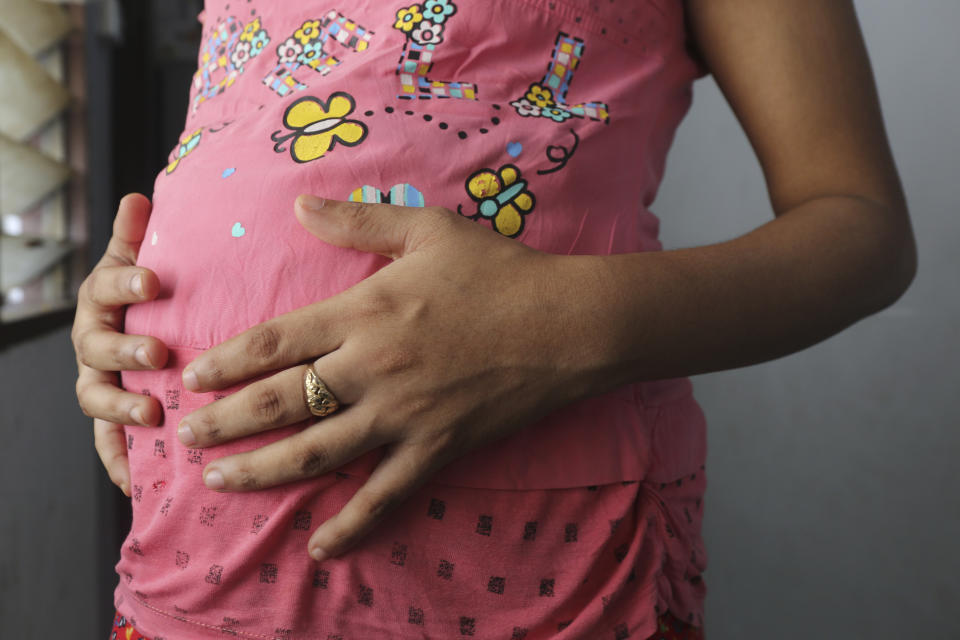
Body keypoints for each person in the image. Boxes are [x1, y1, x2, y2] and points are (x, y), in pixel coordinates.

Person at [73, 0, 917, 638]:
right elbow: (263, 121)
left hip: (533, 573)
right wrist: (146, 289)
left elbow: (860, 225)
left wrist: (550, 327)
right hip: (192, 567)